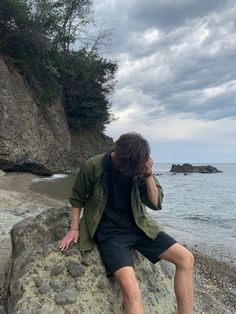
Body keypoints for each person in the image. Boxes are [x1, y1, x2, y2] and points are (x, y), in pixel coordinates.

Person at [58, 132, 194, 314]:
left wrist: (148, 175)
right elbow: (77, 198)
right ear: (115, 150)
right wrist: (74, 228)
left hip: (138, 227)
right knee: (131, 289)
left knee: (186, 259)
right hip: (110, 233)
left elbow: (155, 203)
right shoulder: (94, 166)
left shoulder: (137, 166)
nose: (126, 168)